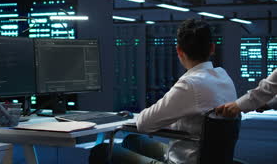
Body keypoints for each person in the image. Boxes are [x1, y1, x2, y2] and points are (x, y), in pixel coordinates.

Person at [89, 19, 237, 164]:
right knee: (132, 140)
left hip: (185, 159)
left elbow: (144, 124)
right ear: (212, 48)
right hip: (211, 157)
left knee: (102, 150)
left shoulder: (190, 83)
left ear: (179, 50)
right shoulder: (223, 77)